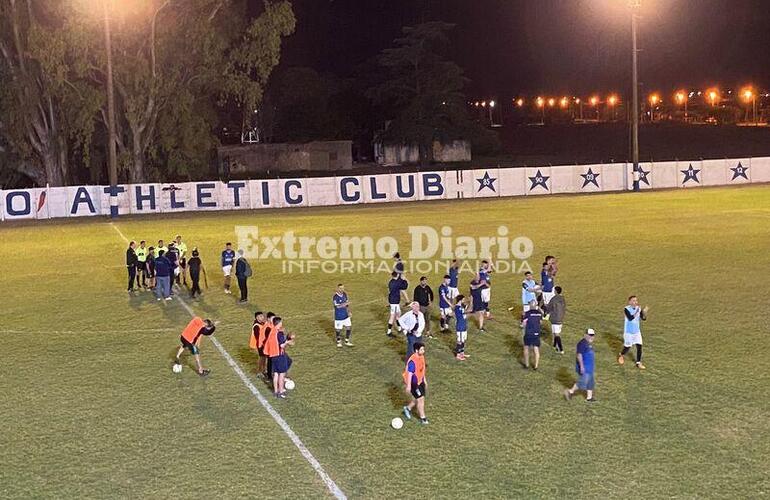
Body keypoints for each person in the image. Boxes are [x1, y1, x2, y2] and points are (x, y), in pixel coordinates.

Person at [265, 316, 294, 398]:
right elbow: (281, 345)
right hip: (279, 356)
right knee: (281, 374)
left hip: (273, 355)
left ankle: (276, 391)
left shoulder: (272, 331)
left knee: (276, 374)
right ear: (279, 323)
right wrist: (288, 342)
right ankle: (281, 392)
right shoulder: (279, 333)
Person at [565, 328, 597, 402]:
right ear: (585, 335)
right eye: (590, 335)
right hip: (585, 367)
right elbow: (579, 355)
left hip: (589, 367)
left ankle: (589, 397)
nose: (591, 337)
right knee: (582, 382)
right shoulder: (582, 343)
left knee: (590, 383)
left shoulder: (588, 343)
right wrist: (582, 366)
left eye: (592, 335)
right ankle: (570, 391)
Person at [618, 295, 648, 369]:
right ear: (630, 302)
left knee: (639, 346)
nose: (635, 302)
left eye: (636, 300)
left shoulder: (639, 308)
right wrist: (637, 311)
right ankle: (621, 354)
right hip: (628, 332)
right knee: (628, 347)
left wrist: (644, 312)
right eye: (633, 301)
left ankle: (638, 363)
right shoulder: (626, 309)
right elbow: (630, 318)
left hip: (637, 332)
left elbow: (643, 318)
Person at [402, 342, 429, 425]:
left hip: (420, 381)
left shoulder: (421, 357)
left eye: (423, 349)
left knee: (418, 398)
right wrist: (409, 386)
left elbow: (422, 369)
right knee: (420, 399)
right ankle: (423, 418)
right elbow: (410, 374)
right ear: (416, 350)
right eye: (421, 349)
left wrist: (424, 380)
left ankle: (407, 408)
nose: (423, 351)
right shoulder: (412, 361)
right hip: (414, 383)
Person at [386, 271, 409, 337]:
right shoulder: (397, 283)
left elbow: (399, 283)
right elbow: (405, 286)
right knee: (392, 316)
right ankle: (389, 331)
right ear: (397, 275)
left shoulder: (391, 282)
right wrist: (404, 279)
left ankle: (399, 328)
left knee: (398, 314)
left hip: (392, 300)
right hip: (395, 302)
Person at [521, 300, 543, 370]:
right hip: (536, 333)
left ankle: (527, 365)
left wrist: (523, 318)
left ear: (530, 305)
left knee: (526, 348)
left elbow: (523, 324)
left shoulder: (527, 313)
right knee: (536, 349)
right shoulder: (539, 314)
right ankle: (536, 366)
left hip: (529, 333)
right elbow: (541, 322)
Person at [546, 286, 566, 354]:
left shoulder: (554, 299)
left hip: (555, 318)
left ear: (556, 291)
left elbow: (548, 308)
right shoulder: (563, 298)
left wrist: (546, 313)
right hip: (561, 318)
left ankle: (561, 349)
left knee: (556, 334)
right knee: (555, 332)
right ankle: (554, 345)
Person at [250, 311, 268, 377]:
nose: (262, 317)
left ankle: (264, 369)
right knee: (261, 358)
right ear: (257, 318)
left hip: (263, 343)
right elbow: (258, 337)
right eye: (260, 316)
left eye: (262, 316)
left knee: (264, 357)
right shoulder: (256, 326)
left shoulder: (262, 323)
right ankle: (259, 371)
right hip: (259, 344)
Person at [453, 294, 470, 361]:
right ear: (460, 300)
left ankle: (462, 353)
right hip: (460, 326)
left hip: (463, 325)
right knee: (459, 341)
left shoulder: (461, 306)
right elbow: (465, 313)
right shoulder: (457, 308)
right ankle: (458, 354)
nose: (464, 300)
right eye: (463, 299)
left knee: (463, 340)